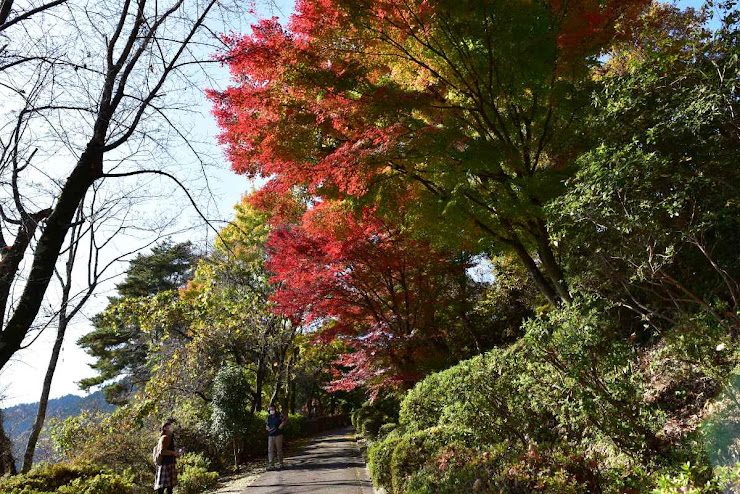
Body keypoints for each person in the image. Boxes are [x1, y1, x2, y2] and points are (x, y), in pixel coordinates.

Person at [154, 420, 181, 494]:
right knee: (162, 488)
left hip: (169, 464)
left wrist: (176, 453)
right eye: (170, 426)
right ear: (165, 428)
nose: (172, 428)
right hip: (165, 465)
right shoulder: (165, 437)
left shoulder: (169, 437)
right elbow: (162, 451)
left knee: (169, 488)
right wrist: (174, 453)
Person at [265, 404, 288, 470]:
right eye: (270, 410)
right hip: (271, 435)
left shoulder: (279, 415)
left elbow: (286, 420)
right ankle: (271, 464)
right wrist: (267, 428)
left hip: (278, 435)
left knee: (279, 449)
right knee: (270, 450)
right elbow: (266, 424)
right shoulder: (269, 417)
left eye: (272, 409)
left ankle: (281, 463)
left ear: (275, 409)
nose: (271, 411)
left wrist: (282, 424)